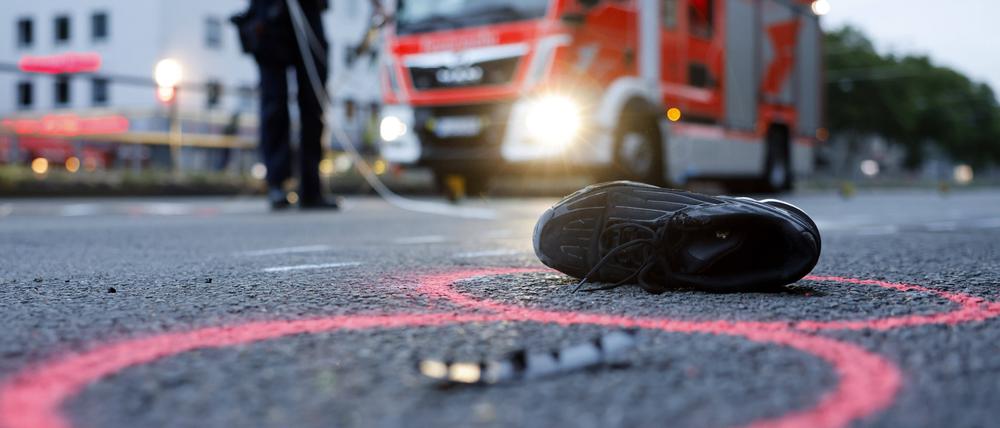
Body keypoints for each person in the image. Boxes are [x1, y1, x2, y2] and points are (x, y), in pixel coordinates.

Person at [248, 0, 338, 210]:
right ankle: (277, 184)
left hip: (309, 10)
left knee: (314, 101)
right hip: (269, 13)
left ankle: (311, 187)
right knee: (274, 102)